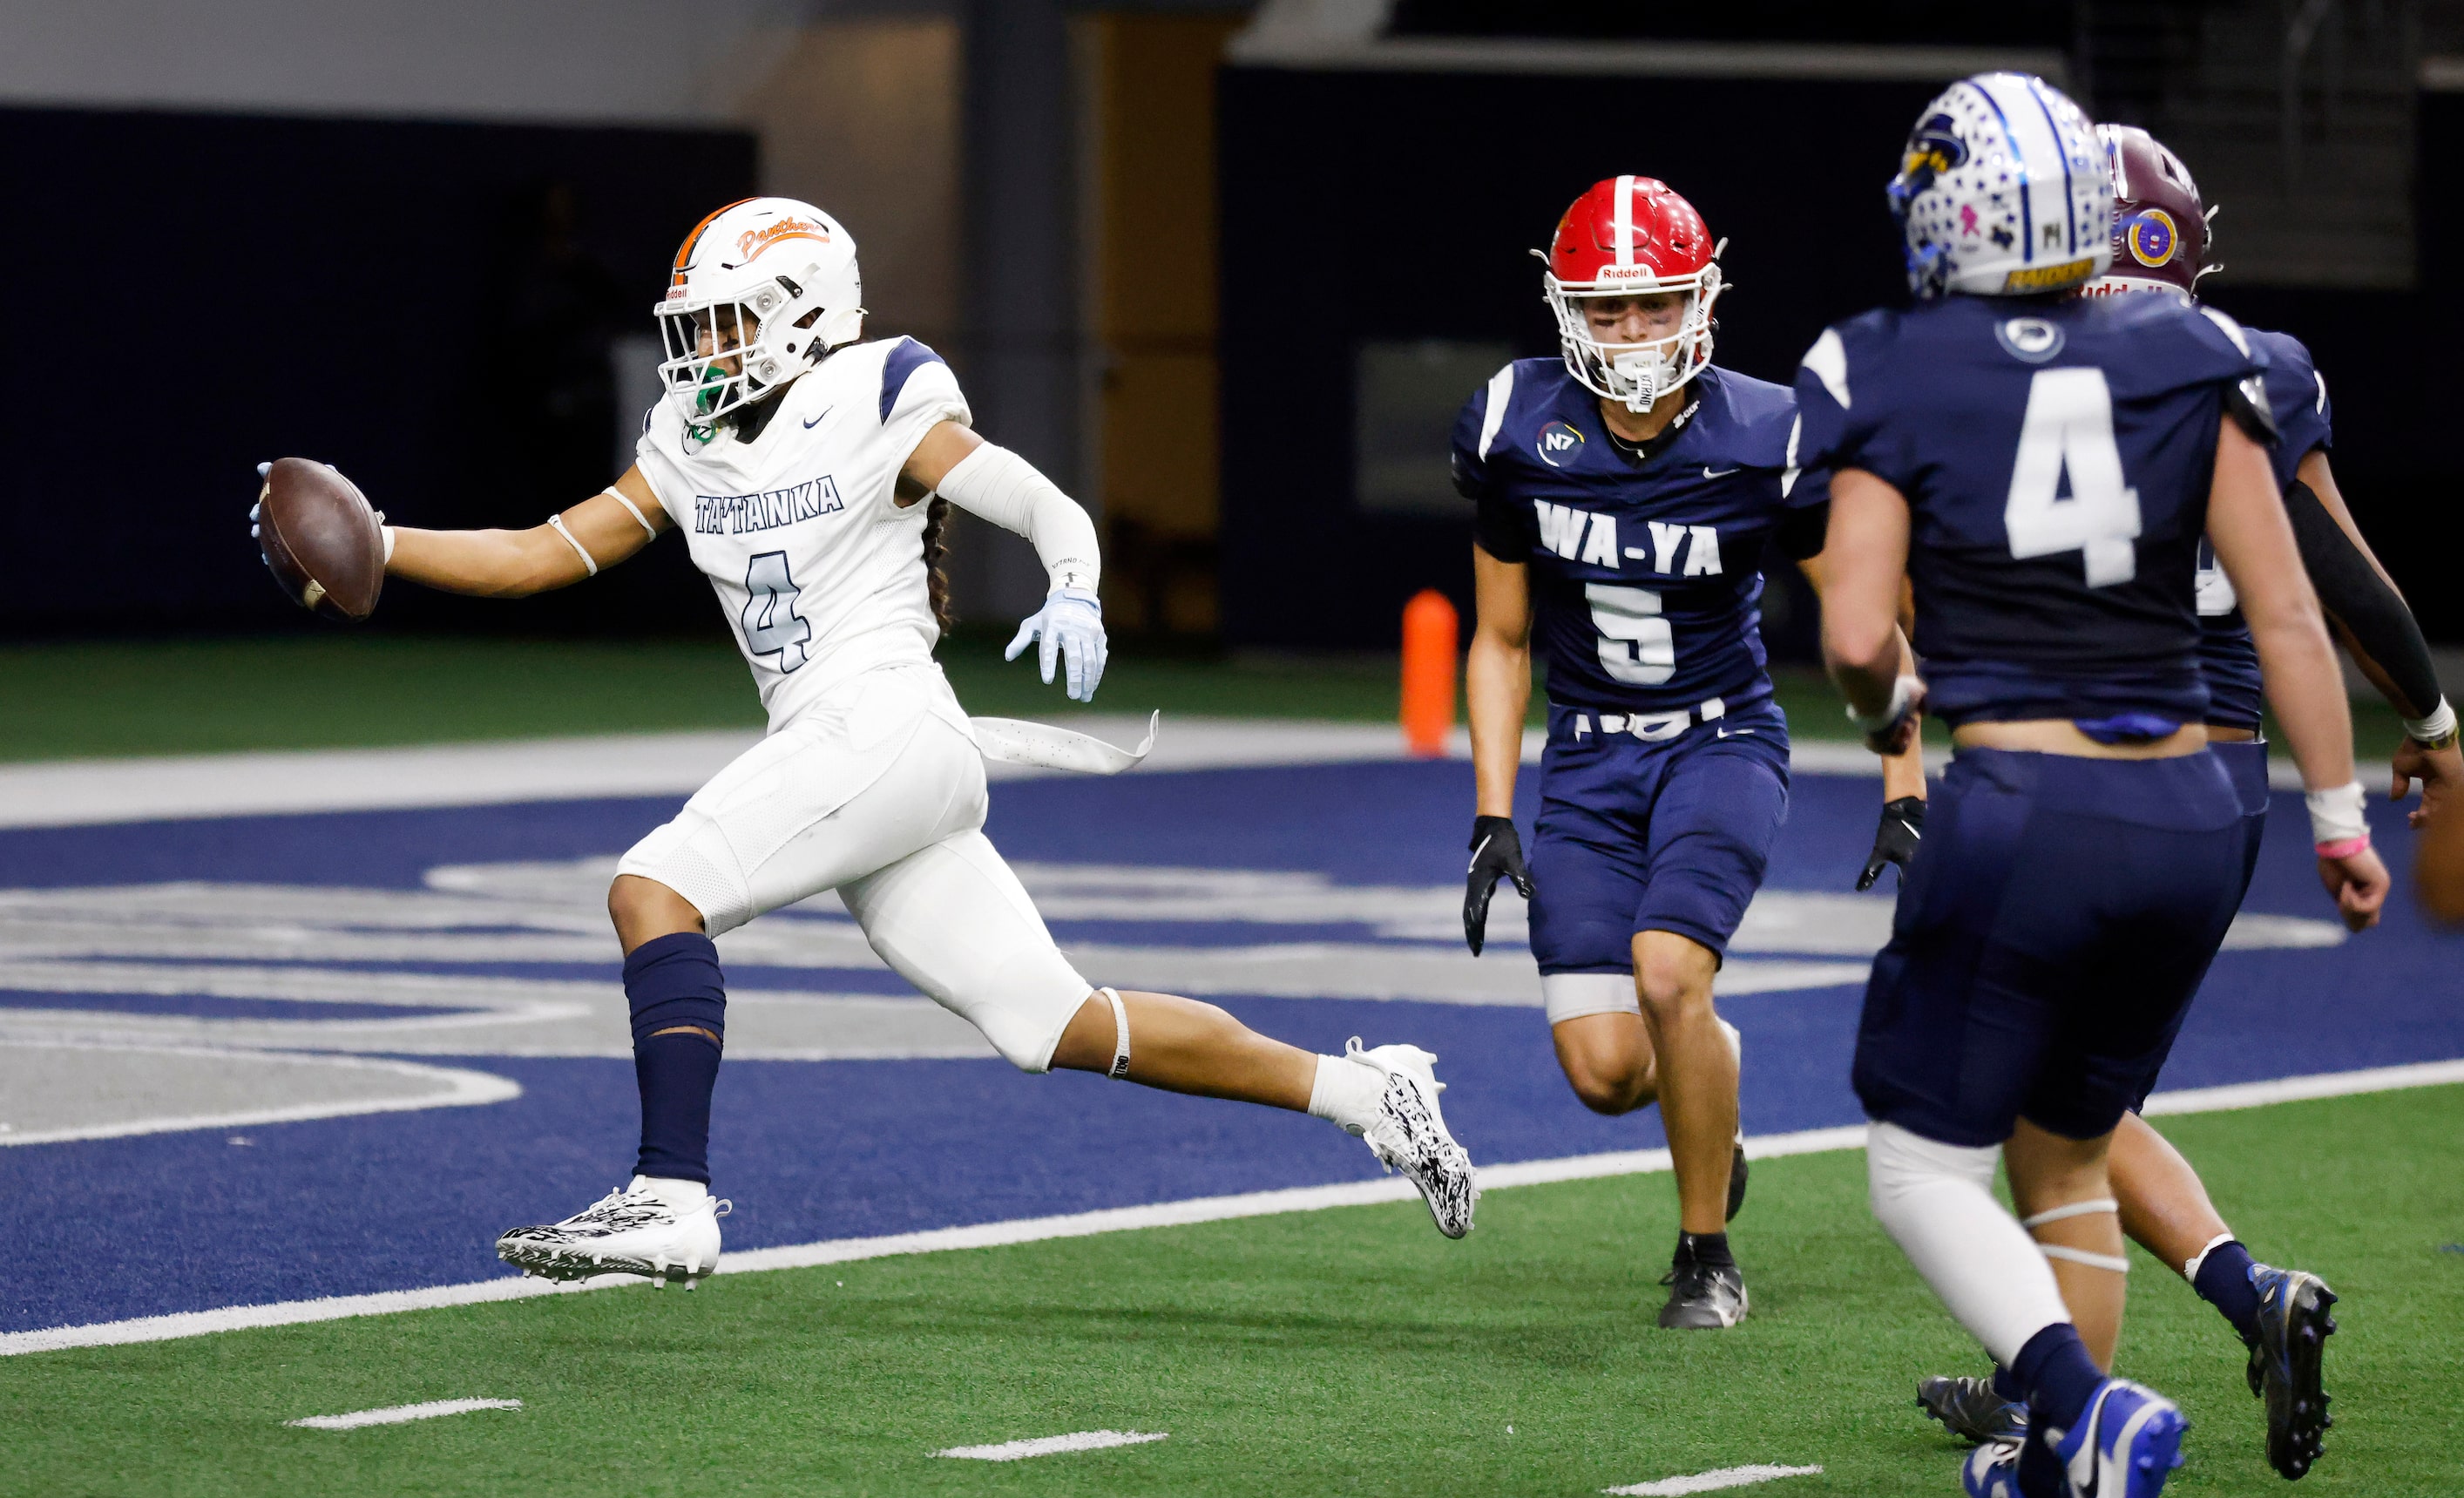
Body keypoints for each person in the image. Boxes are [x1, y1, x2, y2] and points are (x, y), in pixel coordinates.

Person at [252, 196, 1478, 1283]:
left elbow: (1025, 491)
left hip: (882, 722)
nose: (703, 351)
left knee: (654, 885)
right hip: (881, 755)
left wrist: (1074, 578)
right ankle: (1370, 1091)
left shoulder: (876, 385)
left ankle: (672, 1198)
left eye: (727, 323)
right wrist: (381, 538)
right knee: (1050, 1021)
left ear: (800, 315)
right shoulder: (689, 439)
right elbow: (536, 554)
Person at [1797, 76, 2387, 1498]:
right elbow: (2287, 610)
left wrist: (1889, 706)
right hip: (2202, 815)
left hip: (2028, 807)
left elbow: (1860, 630)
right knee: (2067, 1136)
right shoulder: (2206, 350)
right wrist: (2339, 816)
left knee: (1918, 1170)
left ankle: (2080, 1403)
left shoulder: (1879, 361)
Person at [1914, 124, 2454, 1481]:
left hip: (2087, 779)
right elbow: (2336, 579)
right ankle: (2189, 1320)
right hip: (2226, 800)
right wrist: (2429, 720)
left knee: (2021, 1103)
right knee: (2069, 1104)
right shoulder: (2254, 367)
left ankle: (2079, 1415)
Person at [1450, 175, 1923, 1328]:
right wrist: (1493, 809)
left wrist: (1905, 779)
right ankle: (1711, 1077)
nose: (1630, 333)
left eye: (1653, 305)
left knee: (1669, 969)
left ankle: (1705, 1252)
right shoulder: (1517, 424)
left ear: (1700, 301)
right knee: (1608, 1071)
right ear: (1566, 310)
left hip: (1723, 741)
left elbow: (1868, 619)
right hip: (1590, 759)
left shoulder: (1769, 431)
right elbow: (1502, 638)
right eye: (1606, 312)